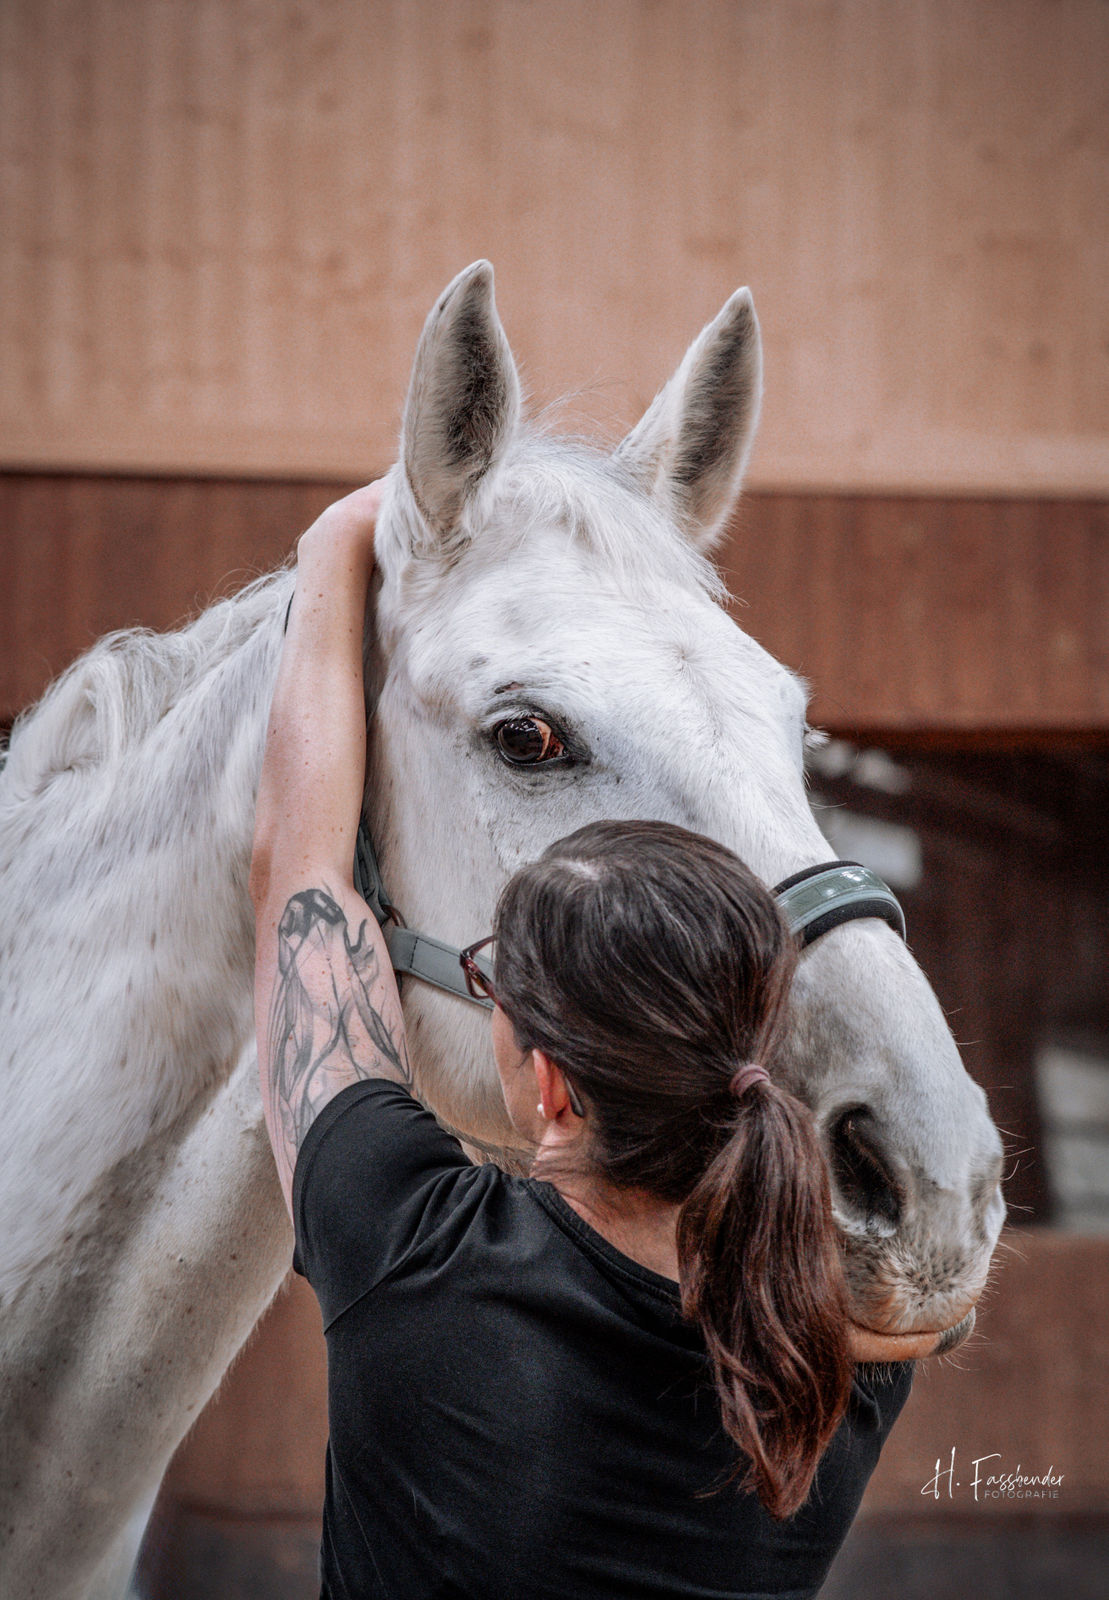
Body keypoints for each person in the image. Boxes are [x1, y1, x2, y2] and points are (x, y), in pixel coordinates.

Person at [250, 485, 939, 1600]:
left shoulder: (413, 1262)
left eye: (497, 992)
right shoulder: (838, 1365)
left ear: (553, 1088)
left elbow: (298, 877)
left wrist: (340, 534)